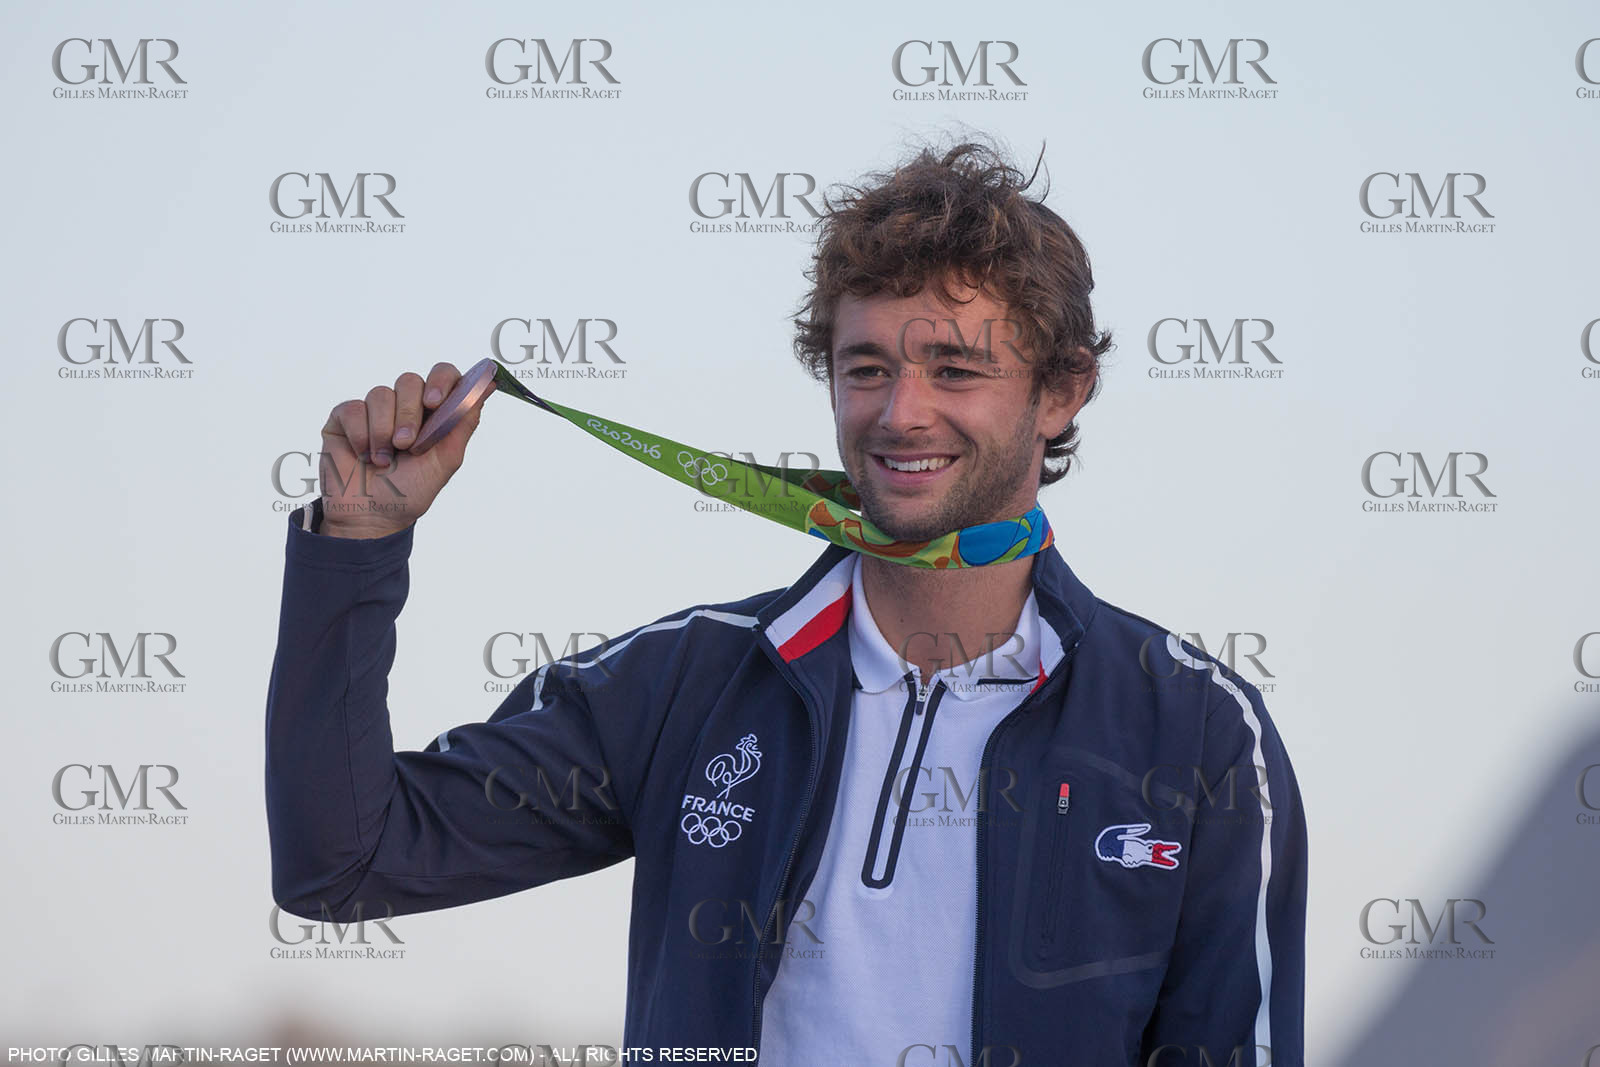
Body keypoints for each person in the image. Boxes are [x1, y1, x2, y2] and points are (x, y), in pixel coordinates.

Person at [265, 138, 1307, 1066]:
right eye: (866, 367)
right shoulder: (692, 680)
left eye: (954, 367)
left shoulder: (1198, 728)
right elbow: (342, 862)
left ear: (1062, 389)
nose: (901, 413)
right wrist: (359, 545)